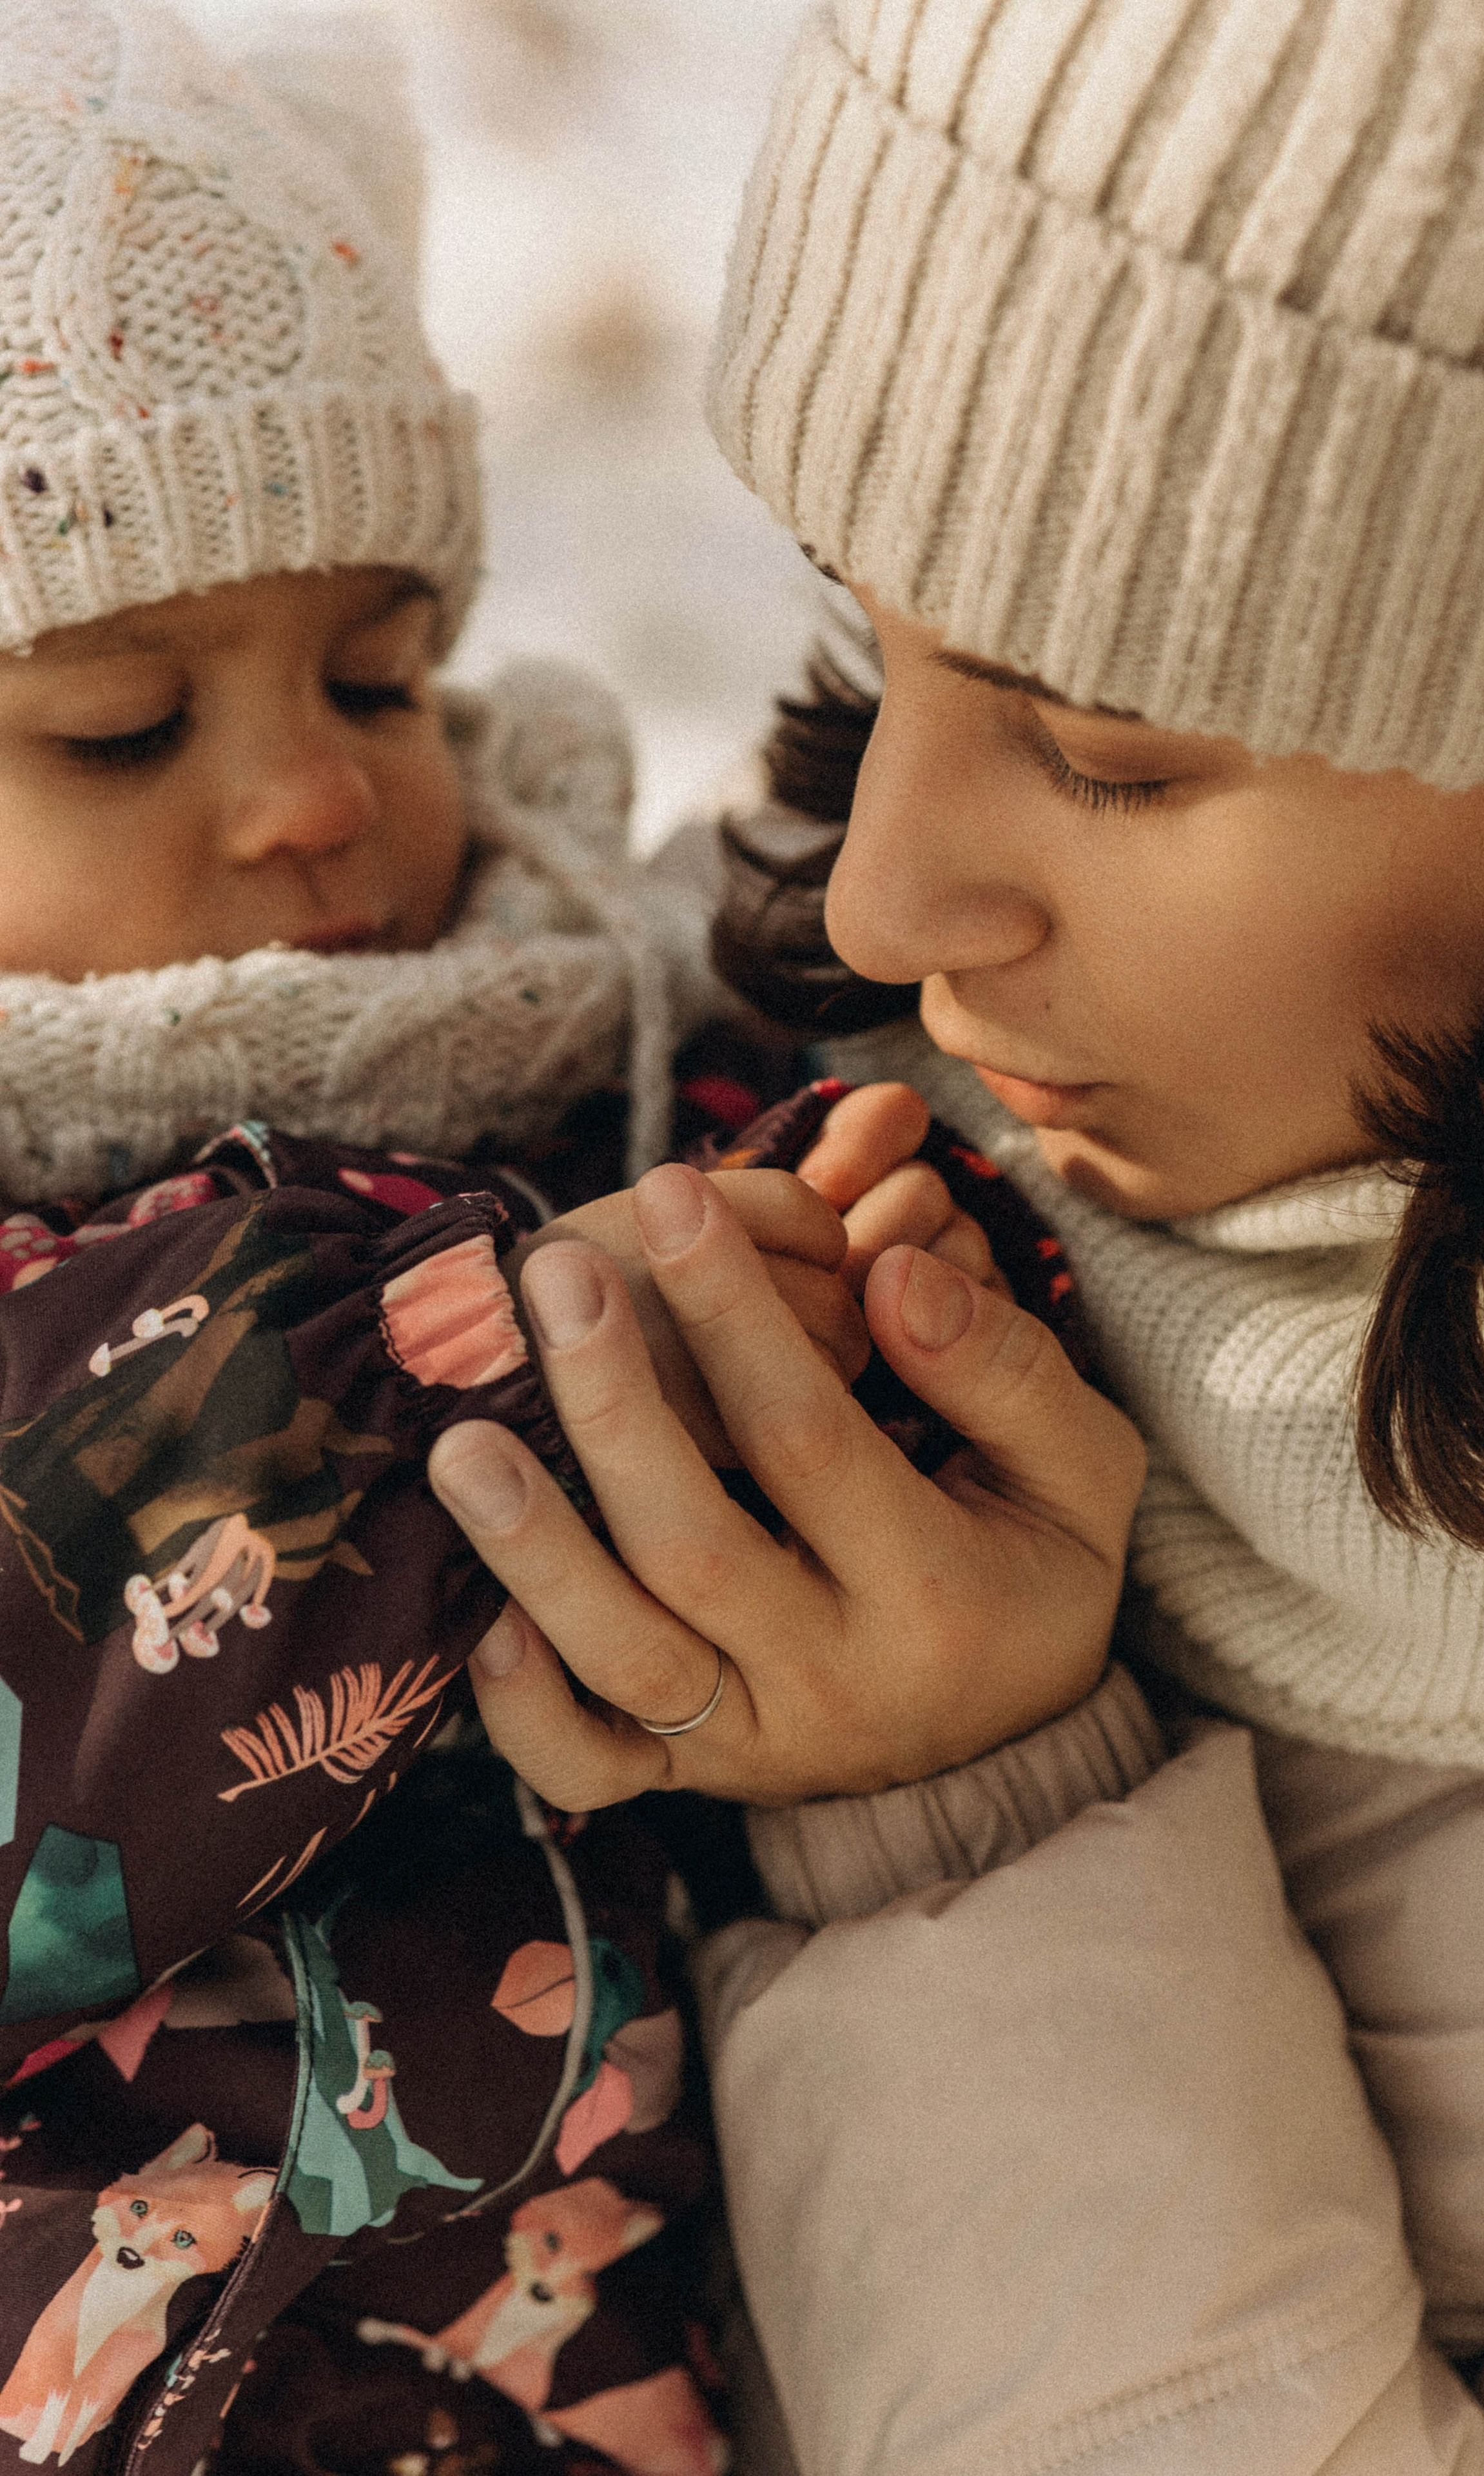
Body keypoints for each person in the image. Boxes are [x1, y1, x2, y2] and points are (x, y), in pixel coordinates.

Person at [429, 1, 1484, 2469]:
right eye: (871, 643)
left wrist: (965, 1817)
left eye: (1107, 746)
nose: (888, 896)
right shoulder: (727, 1034)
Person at [0, 9, 1032, 2471]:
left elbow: (879, 1127)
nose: (317, 792)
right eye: (123, 725)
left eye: (381, 668)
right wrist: (527, 1347)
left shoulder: (595, 1045)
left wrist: (870, 1247)